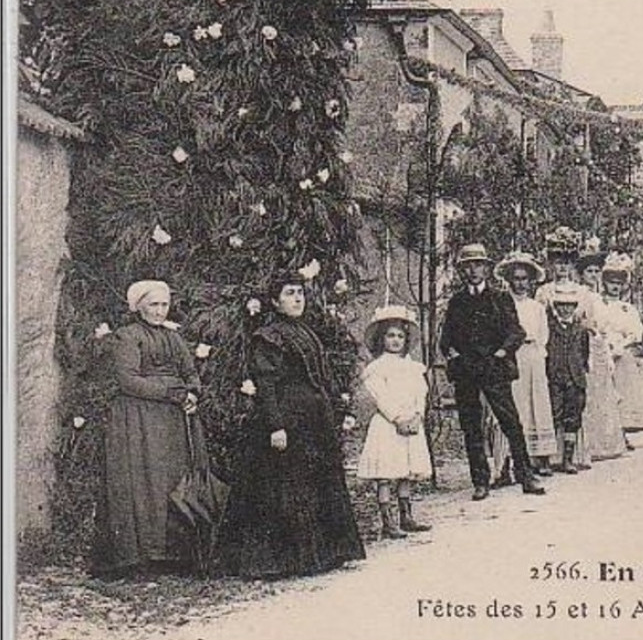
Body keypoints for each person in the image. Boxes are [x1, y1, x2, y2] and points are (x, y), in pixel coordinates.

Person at [216, 272, 366, 579]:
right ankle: (284, 560)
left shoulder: (305, 332)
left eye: (300, 293)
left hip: (313, 421)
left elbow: (320, 377)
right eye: (289, 293)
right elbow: (266, 385)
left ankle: (324, 553)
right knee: (286, 486)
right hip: (287, 419)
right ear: (274, 301)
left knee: (315, 481)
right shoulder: (269, 336)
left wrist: (335, 408)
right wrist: (276, 426)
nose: (297, 299)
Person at [90, 279, 210, 578]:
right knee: (145, 482)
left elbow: (190, 372)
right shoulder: (127, 337)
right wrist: (171, 393)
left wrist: (193, 394)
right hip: (139, 420)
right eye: (153, 305)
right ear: (139, 306)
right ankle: (142, 556)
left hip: (174, 421)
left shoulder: (173, 338)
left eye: (164, 305)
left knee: (174, 479)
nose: (159, 311)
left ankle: (176, 554)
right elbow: (128, 380)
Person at [440, 243, 546, 501]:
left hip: (494, 369)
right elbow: (445, 340)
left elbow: (516, 332)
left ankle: (525, 475)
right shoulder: (457, 302)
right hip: (467, 371)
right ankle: (480, 481)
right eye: (467, 266)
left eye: (478, 265)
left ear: (487, 268)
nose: (473, 270)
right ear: (461, 271)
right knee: (471, 426)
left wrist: (501, 352)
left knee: (510, 421)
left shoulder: (500, 298)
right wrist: (454, 354)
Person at [355, 306, 433, 539]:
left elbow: (422, 392)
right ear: (382, 339)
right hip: (389, 426)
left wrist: (417, 415)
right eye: (390, 335)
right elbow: (381, 397)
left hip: (411, 424)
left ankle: (406, 516)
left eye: (400, 336)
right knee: (387, 473)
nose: (396, 340)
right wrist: (398, 418)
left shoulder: (413, 367)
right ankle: (387, 521)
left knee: (406, 471)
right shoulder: (378, 368)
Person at [496, 251, 558, 477]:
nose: (520, 283)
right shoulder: (502, 304)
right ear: (509, 280)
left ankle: (541, 456)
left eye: (524, 279)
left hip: (533, 355)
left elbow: (543, 335)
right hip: (512, 356)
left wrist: (539, 355)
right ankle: (511, 460)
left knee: (537, 402)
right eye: (516, 278)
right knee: (515, 403)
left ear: (531, 281)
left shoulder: (537, 307)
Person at [578, 243, 625, 463]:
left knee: (603, 390)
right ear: (581, 274)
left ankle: (605, 442)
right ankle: (588, 443)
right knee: (587, 390)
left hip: (600, 344)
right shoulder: (580, 294)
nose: (594, 275)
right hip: (584, 342)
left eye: (597, 271)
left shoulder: (600, 297)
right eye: (589, 271)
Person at [599, 252, 643, 448]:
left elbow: (635, 332)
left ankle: (622, 433)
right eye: (611, 281)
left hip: (622, 351)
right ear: (605, 283)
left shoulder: (628, 308)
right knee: (605, 392)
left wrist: (623, 344)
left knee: (623, 392)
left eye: (618, 282)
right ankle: (605, 434)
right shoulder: (598, 304)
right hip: (603, 350)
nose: (615, 286)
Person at [544, 281, 593, 473]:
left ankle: (568, 458)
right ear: (555, 307)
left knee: (572, 418)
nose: (565, 309)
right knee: (553, 416)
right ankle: (547, 459)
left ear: (575, 307)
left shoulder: (580, 330)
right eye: (561, 305)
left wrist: (579, 373)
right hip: (555, 378)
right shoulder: (550, 328)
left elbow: (584, 353)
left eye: (569, 305)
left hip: (575, 379)